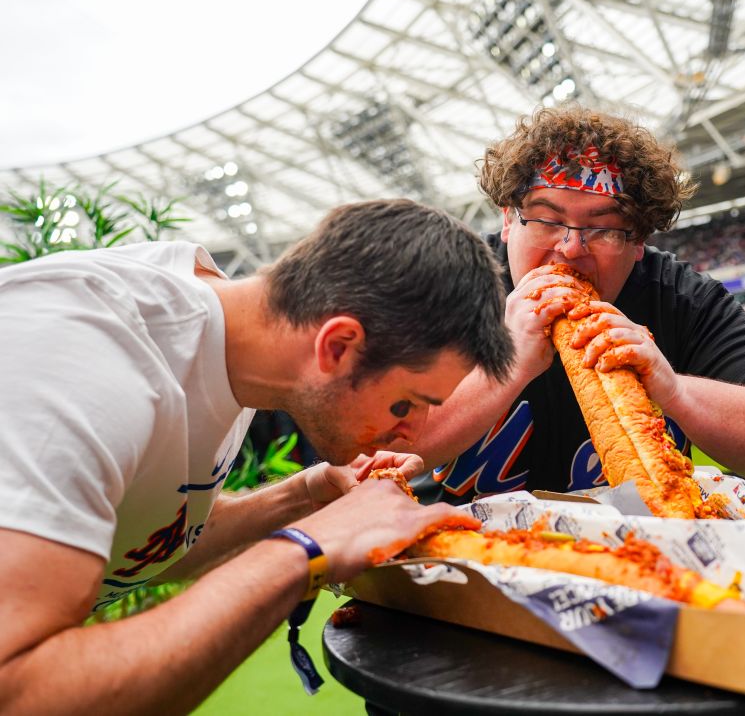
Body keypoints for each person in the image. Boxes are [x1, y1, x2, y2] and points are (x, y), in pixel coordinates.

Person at [0, 199, 514, 713]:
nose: (412, 435)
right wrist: (308, 548)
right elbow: (19, 690)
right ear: (337, 346)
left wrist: (303, 496)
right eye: (407, 404)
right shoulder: (83, 361)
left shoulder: (231, 344)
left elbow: (150, 541)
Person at [406, 106, 745, 501]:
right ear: (506, 218)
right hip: (442, 569)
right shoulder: (448, 286)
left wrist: (674, 388)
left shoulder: (679, 298)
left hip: (635, 565)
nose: (571, 248)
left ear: (638, 242)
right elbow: (361, 453)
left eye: (605, 228)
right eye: (546, 219)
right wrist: (507, 368)